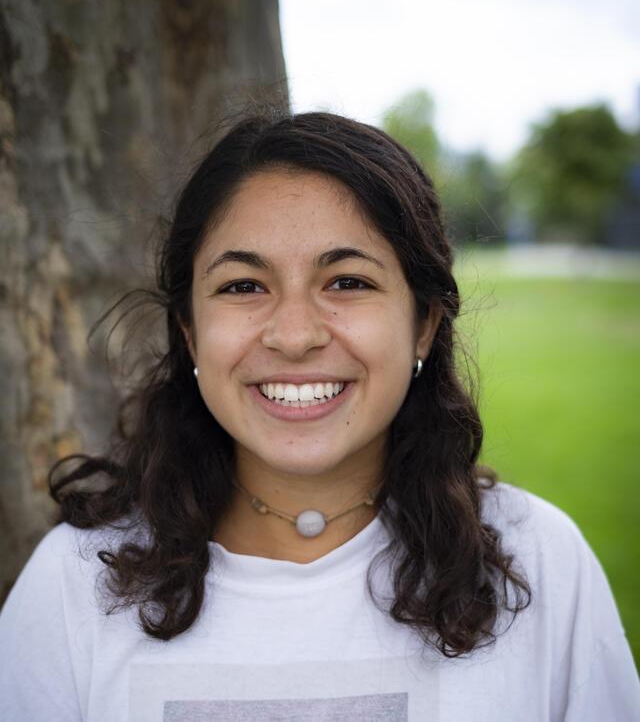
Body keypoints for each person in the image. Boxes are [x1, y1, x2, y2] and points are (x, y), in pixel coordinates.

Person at [0, 111, 638, 722]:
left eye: (348, 282)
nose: (295, 334)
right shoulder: (74, 585)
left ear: (423, 325)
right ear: (191, 334)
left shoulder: (542, 564)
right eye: (244, 286)